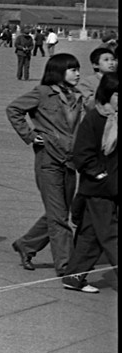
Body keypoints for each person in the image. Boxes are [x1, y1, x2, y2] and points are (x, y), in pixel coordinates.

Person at [6, 53, 83, 276]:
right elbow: (14, 109)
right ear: (59, 71)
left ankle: (26, 244)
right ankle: (66, 266)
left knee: (59, 212)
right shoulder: (42, 93)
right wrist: (30, 135)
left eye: (78, 69)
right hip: (48, 160)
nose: (77, 73)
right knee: (59, 217)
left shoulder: (76, 97)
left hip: (70, 161)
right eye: (72, 69)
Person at [63, 72, 117, 293]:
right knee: (111, 234)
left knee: (90, 233)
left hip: (110, 186)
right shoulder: (96, 118)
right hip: (100, 188)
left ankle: (74, 277)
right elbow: (82, 154)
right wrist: (100, 175)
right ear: (108, 94)